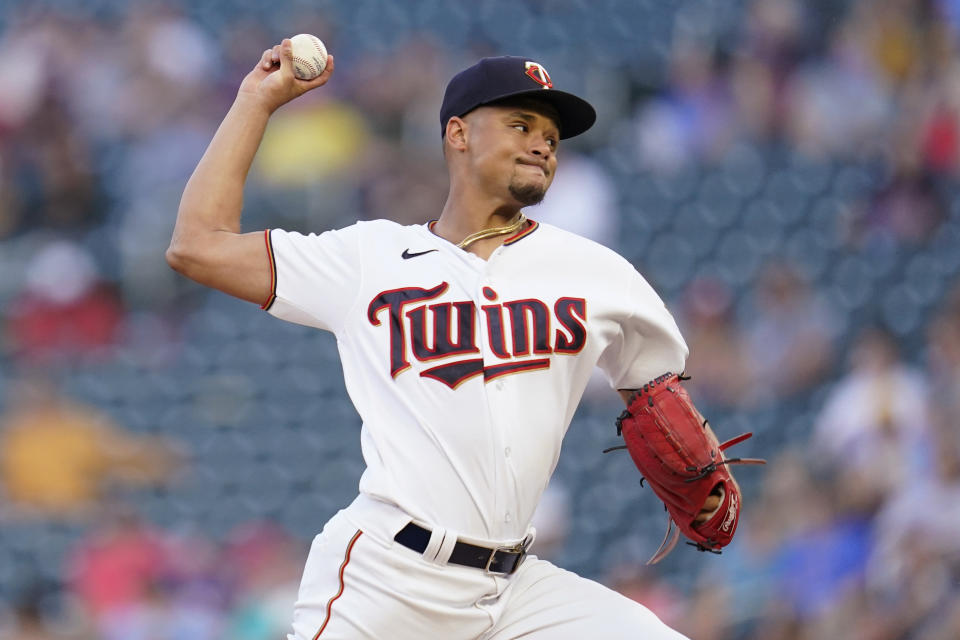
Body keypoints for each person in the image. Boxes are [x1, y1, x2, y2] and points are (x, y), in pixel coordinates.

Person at [168, 39, 721, 640]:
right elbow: (198, 245)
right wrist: (255, 101)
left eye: (552, 138)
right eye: (521, 123)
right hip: (389, 578)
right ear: (458, 133)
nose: (542, 143)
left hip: (514, 591)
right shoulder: (368, 258)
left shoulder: (598, 273)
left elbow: (662, 395)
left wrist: (702, 465)